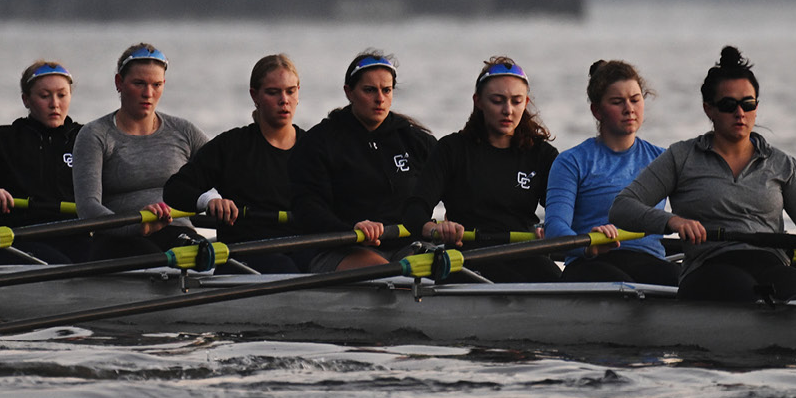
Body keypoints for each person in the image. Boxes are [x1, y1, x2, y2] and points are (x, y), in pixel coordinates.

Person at [610, 45, 796, 301]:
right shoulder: (681, 157)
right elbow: (622, 208)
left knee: (794, 285)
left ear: (756, 107)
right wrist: (673, 222)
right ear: (709, 109)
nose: (740, 113)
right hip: (709, 265)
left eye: (747, 104)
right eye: (728, 105)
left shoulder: (782, 164)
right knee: (740, 289)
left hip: (771, 263)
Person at [401, 56, 561, 282]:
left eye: (516, 101)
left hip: (523, 250)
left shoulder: (542, 155)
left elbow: (565, 211)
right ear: (478, 101)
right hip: (466, 256)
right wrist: (434, 229)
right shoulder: (452, 150)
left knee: (556, 279)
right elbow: (414, 211)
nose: (508, 110)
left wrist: (554, 225)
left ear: (525, 103)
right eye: (497, 100)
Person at [289, 50, 435, 271]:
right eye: (369, 90)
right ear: (349, 92)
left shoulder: (415, 141)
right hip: (340, 246)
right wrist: (352, 228)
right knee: (388, 273)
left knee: (427, 269)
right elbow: (307, 207)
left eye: (386, 90)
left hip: (406, 245)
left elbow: (456, 188)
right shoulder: (320, 142)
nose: (380, 99)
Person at [164, 54, 306, 273]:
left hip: (308, 247)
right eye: (272, 92)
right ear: (254, 95)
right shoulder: (232, 147)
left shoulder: (315, 147)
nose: (284, 100)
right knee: (288, 269)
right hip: (245, 256)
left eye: (290, 91)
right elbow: (175, 190)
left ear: (298, 92)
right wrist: (208, 200)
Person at [545, 60, 680, 285]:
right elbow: (554, 228)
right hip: (590, 263)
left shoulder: (663, 159)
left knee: (680, 280)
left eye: (635, 100)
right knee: (619, 283)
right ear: (597, 111)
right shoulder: (571, 162)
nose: (629, 109)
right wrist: (588, 245)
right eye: (617, 102)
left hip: (648, 260)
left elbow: (696, 213)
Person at [72, 43, 208, 258]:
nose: (148, 93)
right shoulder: (95, 135)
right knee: (153, 258)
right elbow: (88, 207)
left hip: (177, 230)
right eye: (139, 84)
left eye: (157, 84)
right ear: (119, 83)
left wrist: (217, 200)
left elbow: (228, 173)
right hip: (118, 237)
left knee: (204, 255)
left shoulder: (184, 131)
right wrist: (138, 226)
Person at [0, 60, 84, 263]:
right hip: (18, 239)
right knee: (66, 266)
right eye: (44, 96)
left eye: (62, 95)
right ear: (26, 100)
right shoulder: (2, 141)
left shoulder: (86, 139)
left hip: (78, 234)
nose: (55, 103)